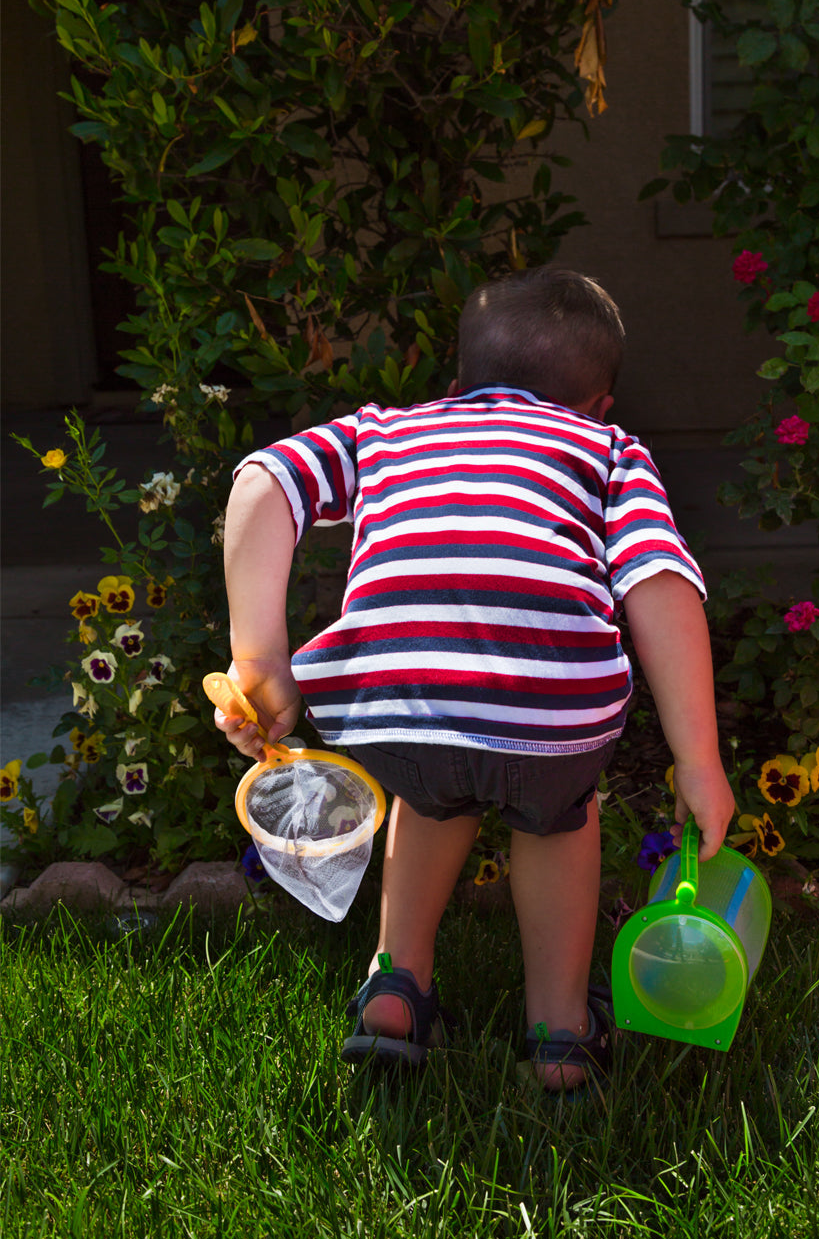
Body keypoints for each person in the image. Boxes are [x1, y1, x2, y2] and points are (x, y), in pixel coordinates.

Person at [215, 266, 735, 1091]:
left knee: (430, 794)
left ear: (456, 388)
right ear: (599, 405)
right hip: (554, 718)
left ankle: (395, 992)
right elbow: (658, 584)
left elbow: (264, 480)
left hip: (392, 705)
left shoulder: (389, 432)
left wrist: (260, 663)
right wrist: (699, 760)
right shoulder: (606, 449)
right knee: (559, 817)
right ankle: (561, 1035)